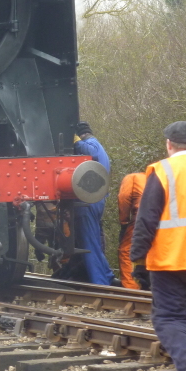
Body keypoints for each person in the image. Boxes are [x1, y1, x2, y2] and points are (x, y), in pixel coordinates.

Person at [131, 121, 186, 371]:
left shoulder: (162, 171)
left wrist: (138, 260)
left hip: (170, 260)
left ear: (168, 144)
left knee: (169, 319)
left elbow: (146, 220)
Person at [73, 121, 118, 286]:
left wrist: (75, 141)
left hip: (88, 202)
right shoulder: (98, 146)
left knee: (89, 244)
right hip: (96, 200)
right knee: (95, 243)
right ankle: (107, 275)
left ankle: (100, 283)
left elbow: (90, 150)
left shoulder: (92, 145)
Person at [117, 172, 147, 289]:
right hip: (165, 220)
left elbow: (124, 197)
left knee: (126, 251)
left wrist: (124, 221)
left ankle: (131, 289)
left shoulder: (132, 178)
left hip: (141, 217)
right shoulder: (162, 178)